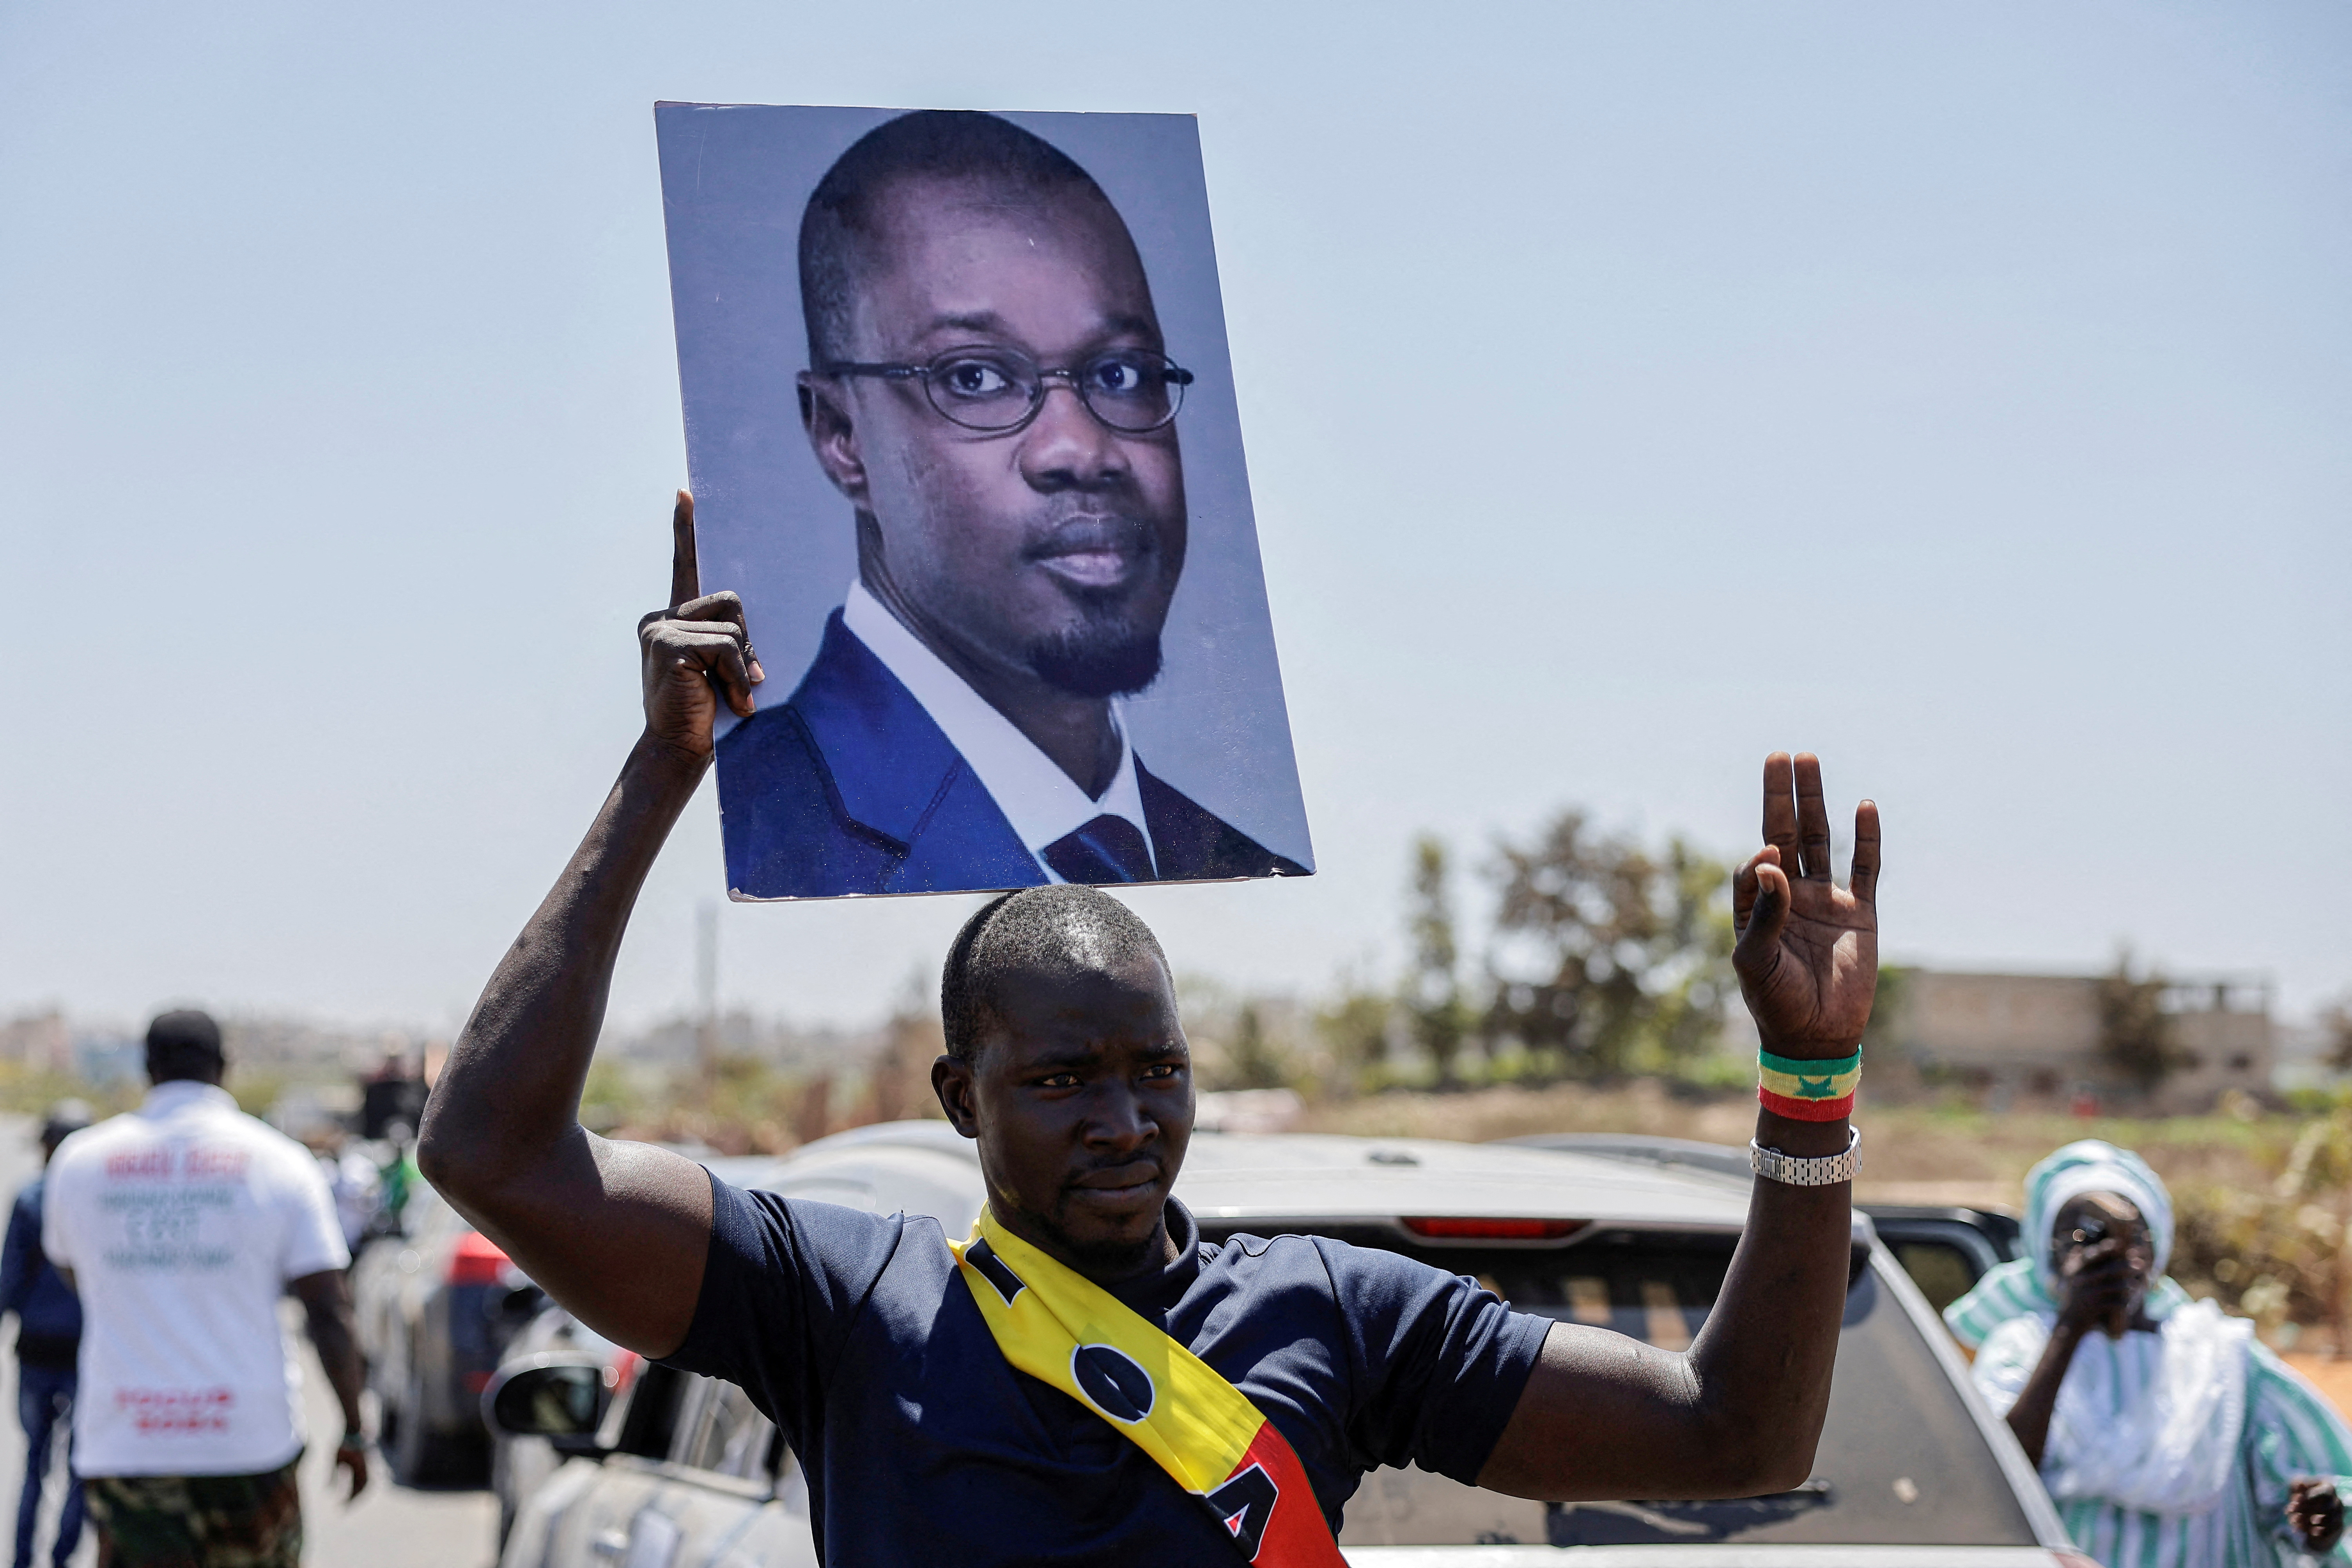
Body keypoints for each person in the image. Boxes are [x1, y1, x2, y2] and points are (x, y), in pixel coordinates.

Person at [417, 508, 1883, 1564]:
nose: (1124, 1122)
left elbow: (1733, 1436)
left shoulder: (1330, 1313)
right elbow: (488, 1150)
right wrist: (663, 770)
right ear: (960, 1094)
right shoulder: (843, 1300)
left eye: (1155, 1071)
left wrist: (1808, 1081)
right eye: (1062, 1079)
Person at [718, 109, 1308, 898]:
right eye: (974, 377)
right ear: (841, 434)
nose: (1084, 450)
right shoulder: (746, 840)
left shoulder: (1240, 867)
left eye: (1121, 374)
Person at [42, 1011, 369, 1567]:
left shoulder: (81, 1162)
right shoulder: (281, 1163)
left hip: (129, 1442)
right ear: (224, 1068)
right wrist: (354, 1428)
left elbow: (74, 1273)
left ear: (148, 1069)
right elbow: (328, 1309)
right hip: (247, 1443)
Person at [1944, 1140, 2352, 1566]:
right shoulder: (2021, 1346)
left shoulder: (2219, 1356)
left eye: (2134, 1237)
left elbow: (2290, 1499)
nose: (2114, 1255)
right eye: (2084, 1236)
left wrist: (2315, 1519)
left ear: (2157, 1248)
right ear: (2047, 1251)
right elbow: (1997, 1477)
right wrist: (2072, 1327)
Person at [0, 1103, 91, 1568]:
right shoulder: (99, 1199)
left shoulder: (32, 1197)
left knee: (34, 1462)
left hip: (37, 1349)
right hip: (86, 1350)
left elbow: (10, 1279)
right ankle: (61, 1555)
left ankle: (22, 1558)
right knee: (80, 1464)